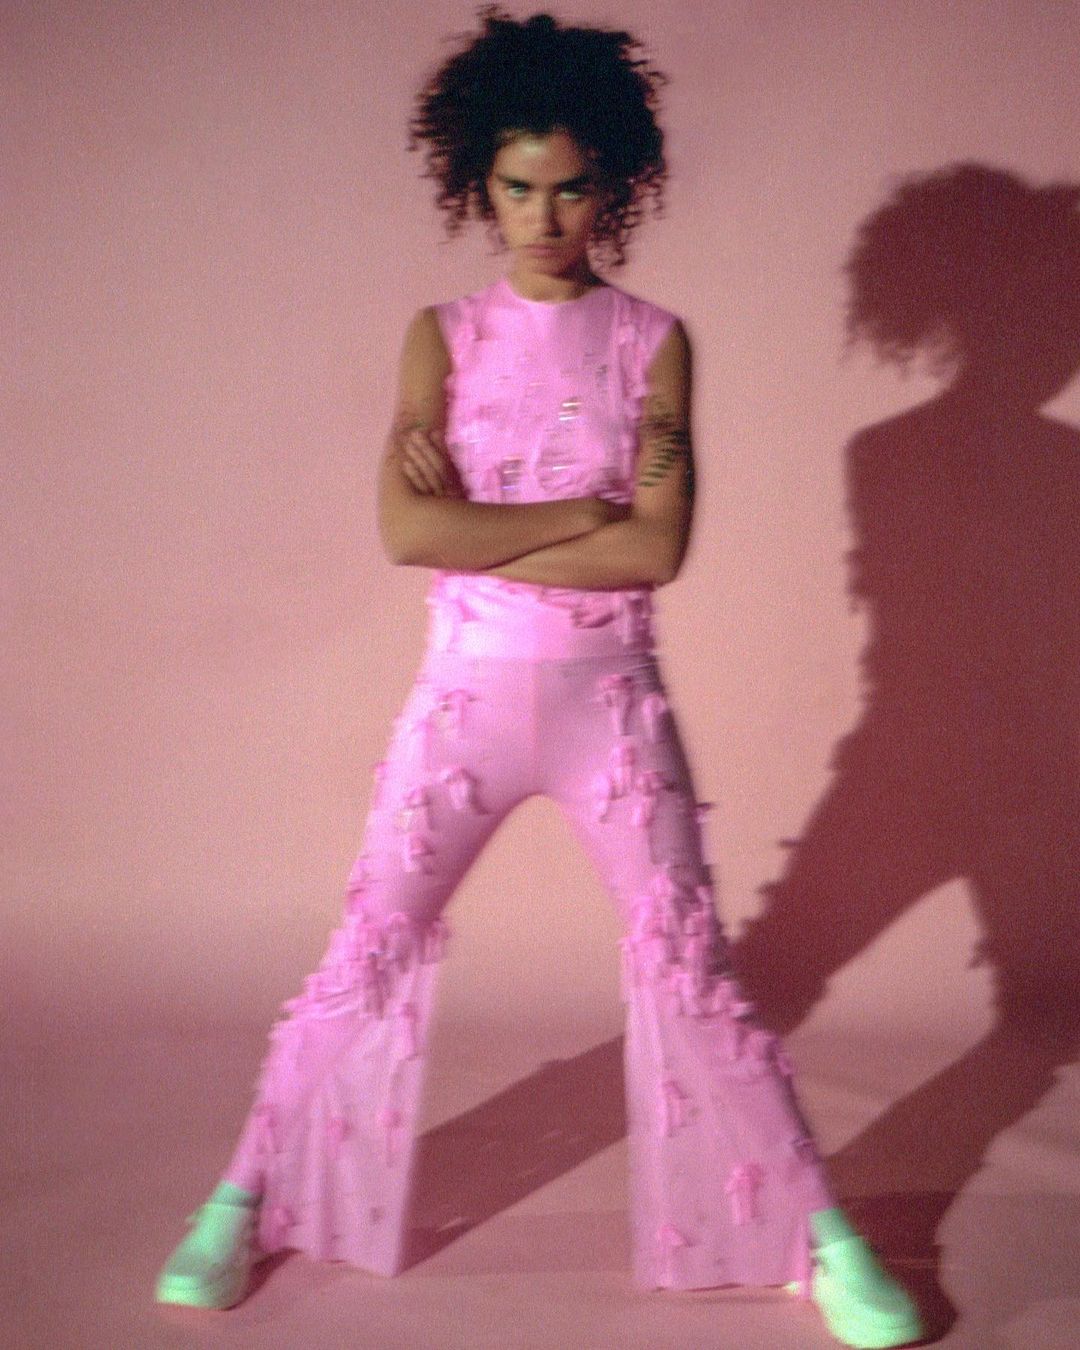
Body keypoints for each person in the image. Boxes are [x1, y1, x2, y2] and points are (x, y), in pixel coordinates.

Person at [154, 9, 923, 1347]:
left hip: (611, 711)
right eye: (519, 188)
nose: (545, 217)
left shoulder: (652, 341)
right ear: (479, 181)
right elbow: (409, 533)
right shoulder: (442, 337)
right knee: (364, 949)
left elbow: (657, 550)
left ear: (612, 182)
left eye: (570, 188)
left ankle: (824, 1239)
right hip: (462, 707)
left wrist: (499, 522)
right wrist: (582, 511)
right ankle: (241, 1199)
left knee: (692, 970)